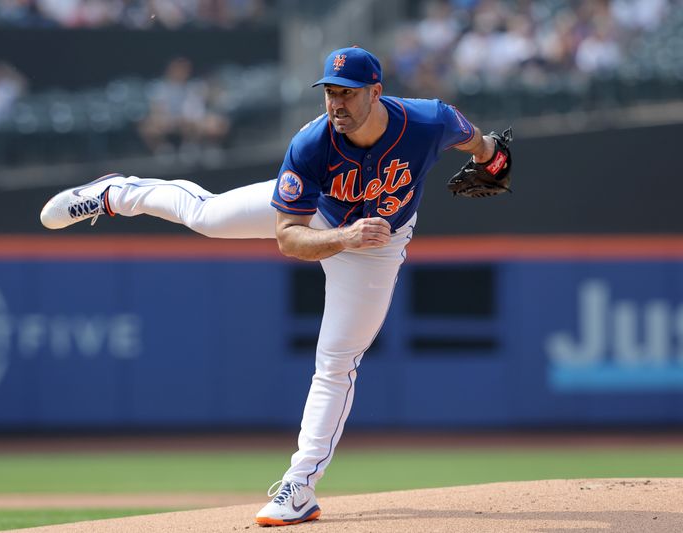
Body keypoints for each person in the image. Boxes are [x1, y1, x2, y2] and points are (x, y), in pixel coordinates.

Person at [40, 46, 508, 527]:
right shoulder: (311, 143)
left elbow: (477, 141)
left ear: (376, 92)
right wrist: (342, 236)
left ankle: (299, 487)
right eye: (329, 92)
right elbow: (288, 237)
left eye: (346, 93)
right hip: (320, 220)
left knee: (337, 361)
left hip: (378, 248)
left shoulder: (429, 121)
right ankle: (117, 192)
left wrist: (492, 157)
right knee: (207, 215)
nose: (335, 103)